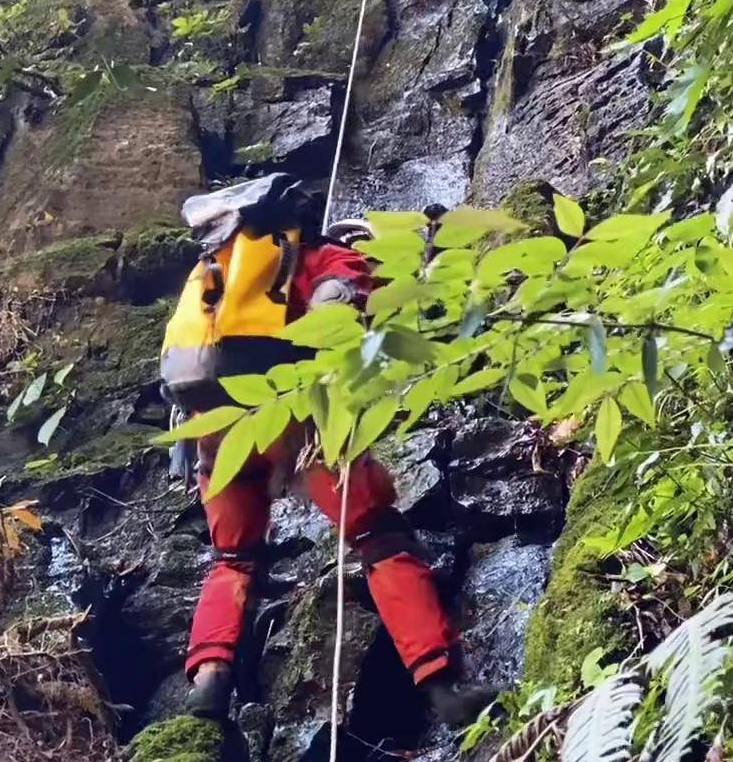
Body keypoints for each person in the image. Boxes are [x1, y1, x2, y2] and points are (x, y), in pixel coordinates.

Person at [161, 184, 492, 726]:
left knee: (233, 558)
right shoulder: (324, 257)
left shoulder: (216, 275)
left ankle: (209, 681)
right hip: (296, 420)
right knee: (376, 535)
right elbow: (344, 314)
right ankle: (442, 683)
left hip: (214, 432)